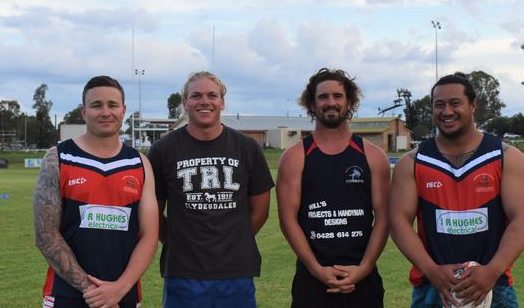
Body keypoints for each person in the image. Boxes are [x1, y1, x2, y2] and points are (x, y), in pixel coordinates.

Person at [389, 72, 524, 307]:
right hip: (432, 286)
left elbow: (523, 221)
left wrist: (491, 271)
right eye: (439, 105)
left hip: (494, 286)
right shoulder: (413, 162)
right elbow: (398, 222)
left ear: (473, 106)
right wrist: (432, 271)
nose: (447, 111)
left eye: (455, 103)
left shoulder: (506, 157)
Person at [147, 71, 274, 308]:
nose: (204, 101)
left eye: (212, 95)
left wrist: (233, 240)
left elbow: (261, 210)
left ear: (222, 102)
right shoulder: (163, 149)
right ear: (184, 103)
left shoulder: (247, 147)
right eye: (196, 95)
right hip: (183, 272)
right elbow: (153, 212)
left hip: (236, 270)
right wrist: (178, 242)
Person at [34, 75, 159, 308]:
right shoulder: (58, 158)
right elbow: (45, 236)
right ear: (83, 112)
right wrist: (94, 292)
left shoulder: (140, 163)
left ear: (123, 111)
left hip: (123, 296)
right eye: (96, 105)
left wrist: (118, 289)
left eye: (112, 105)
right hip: (66, 295)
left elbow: (150, 236)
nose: (105, 112)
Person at [276, 68, 390, 307]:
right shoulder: (295, 157)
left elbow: (384, 217)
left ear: (349, 101)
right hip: (312, 280)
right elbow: (288, 220)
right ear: (311, 103)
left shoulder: (373, 156)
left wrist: (365, 267)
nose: (330, 102)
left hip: (363, 279)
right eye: (323, 97)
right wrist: (316, 269)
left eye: (337, 96)